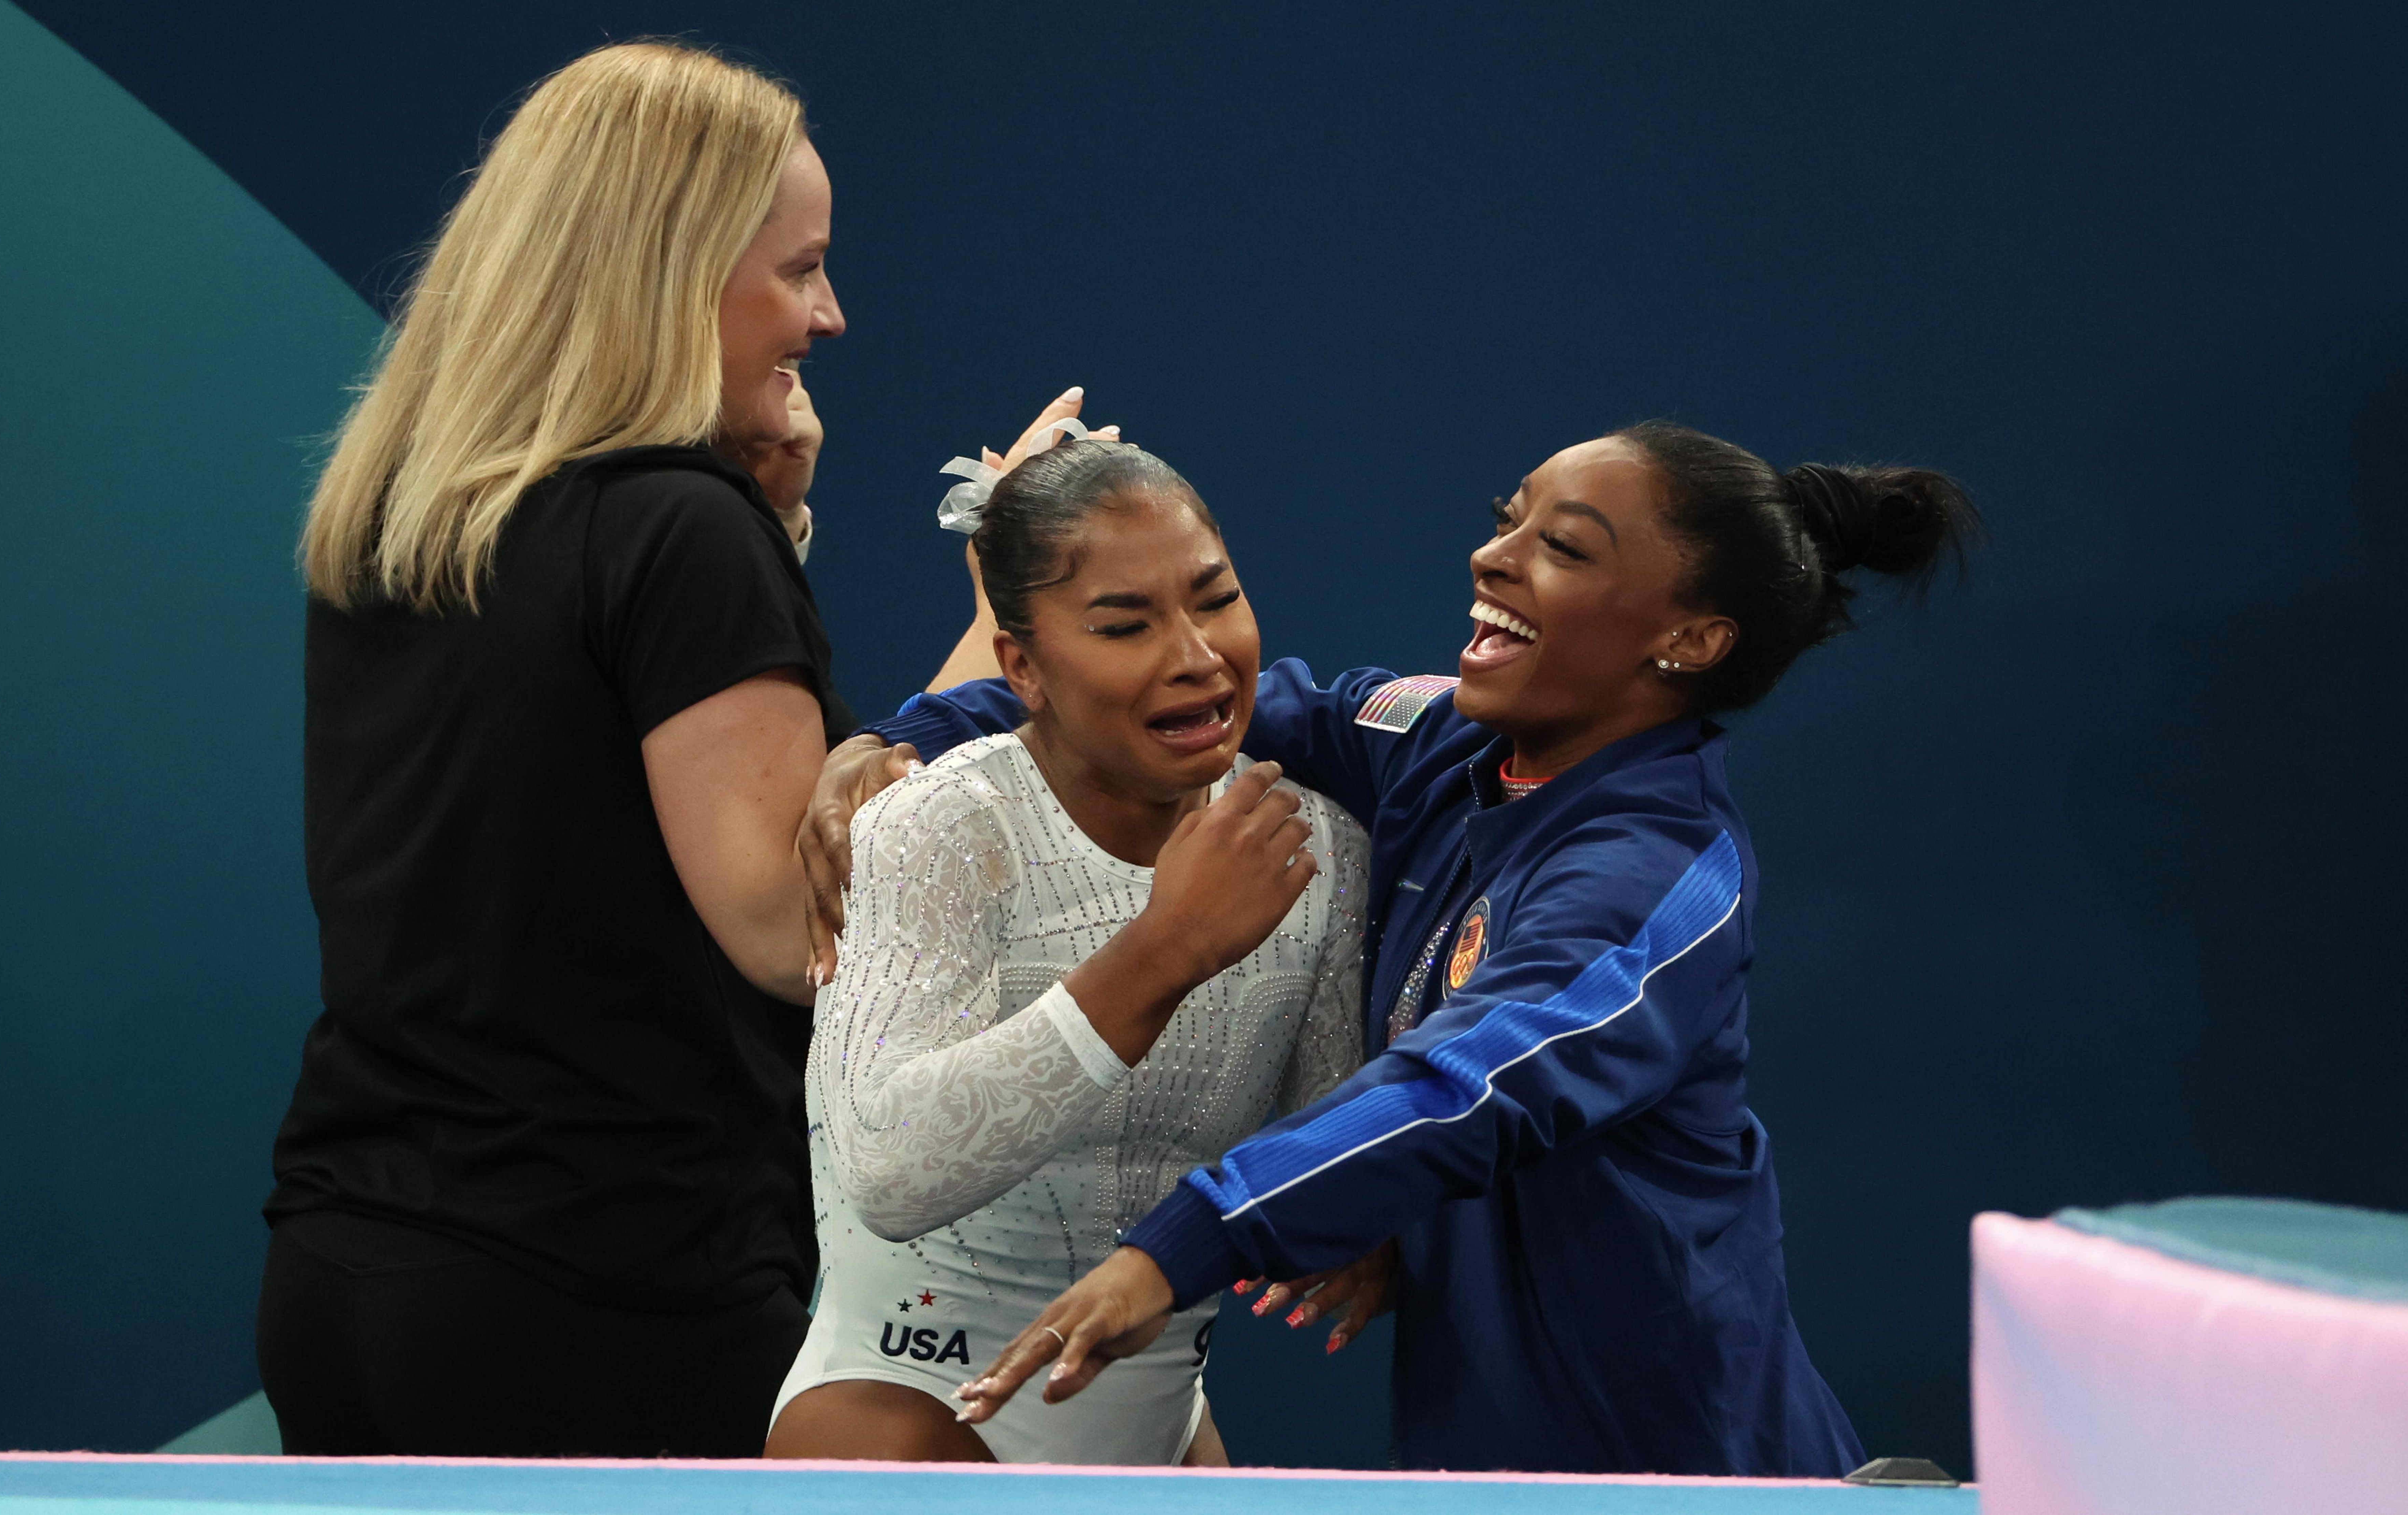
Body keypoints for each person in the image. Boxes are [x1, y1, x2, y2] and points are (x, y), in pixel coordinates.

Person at [805, 421, 1980, 1474]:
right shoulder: (1435, 742)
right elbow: (1191, 700)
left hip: (1676, 1463)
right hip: (1480, 1452)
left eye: (1562, 548)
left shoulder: (1655, 876)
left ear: (1687, 637)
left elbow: (1462, 1086)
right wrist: (903, 735)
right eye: (1504, 520)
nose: (1493, 557)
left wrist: (1183, 1244)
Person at [256, 42, 853, 1458]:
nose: (827, 316)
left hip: (348, 1278)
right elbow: (786, 923)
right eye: (800, 269)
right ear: (668, 272)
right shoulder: (682, 532)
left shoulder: (405, 516)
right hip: (606, 1299)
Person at [765, 438, 1370, 1465]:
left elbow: (1328, 1151)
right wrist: (1163, 949)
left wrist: (1360, 1218)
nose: (1195, 654)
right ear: (1022, 667)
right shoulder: (937, 826)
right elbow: (890, 1171)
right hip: (905, 1413)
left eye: (1215, 599)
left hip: (1166, 1430)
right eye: (1125, 625)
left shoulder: (1314, 843)